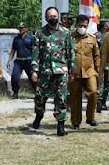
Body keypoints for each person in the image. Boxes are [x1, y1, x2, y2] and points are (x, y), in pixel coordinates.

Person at [31, 7, 76, 136]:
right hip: (44, 71)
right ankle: (39, 116)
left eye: (55, 16)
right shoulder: (39, 33)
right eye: (50, 16)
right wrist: (34, 70)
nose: (53, 18)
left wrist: (72, 71)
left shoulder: (66, 32)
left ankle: (60, 126)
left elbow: (70, 53)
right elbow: (36, 53)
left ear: (58, 18)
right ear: (46, 18)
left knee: (61, 99)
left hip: (61, 71)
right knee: (40, 98)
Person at [69, 14, 100, 130]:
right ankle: (76, 122)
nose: (82, 27)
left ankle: (90, 118)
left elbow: (96, 56)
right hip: (74, 72)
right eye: (80, 25)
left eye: (85, 26)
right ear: (76, 25)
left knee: (93, 92)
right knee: (75, 97)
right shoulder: (70, 37)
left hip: (89, 71)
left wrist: (98, 71)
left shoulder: (92, 38)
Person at [6, 22, 36, 99]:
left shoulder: (31, 38)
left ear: (26, 29)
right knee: (14, 77)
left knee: (32, 78)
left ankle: (38, 93)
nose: (20, 29)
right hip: (19, 61)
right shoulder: (16, 39)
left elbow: (35, 50)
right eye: (19, 28)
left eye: (22, 28)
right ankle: (15, 93)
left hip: (28, 61)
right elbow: (13, 50)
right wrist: (9, 61)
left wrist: (35, 61)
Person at [95, 19, 109, 112]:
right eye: (108, 25)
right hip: (100, 64)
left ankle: (104, 102)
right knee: (100, 84)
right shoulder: (96, 36)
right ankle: (99, 103)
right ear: (105, 26)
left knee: (107, 85)